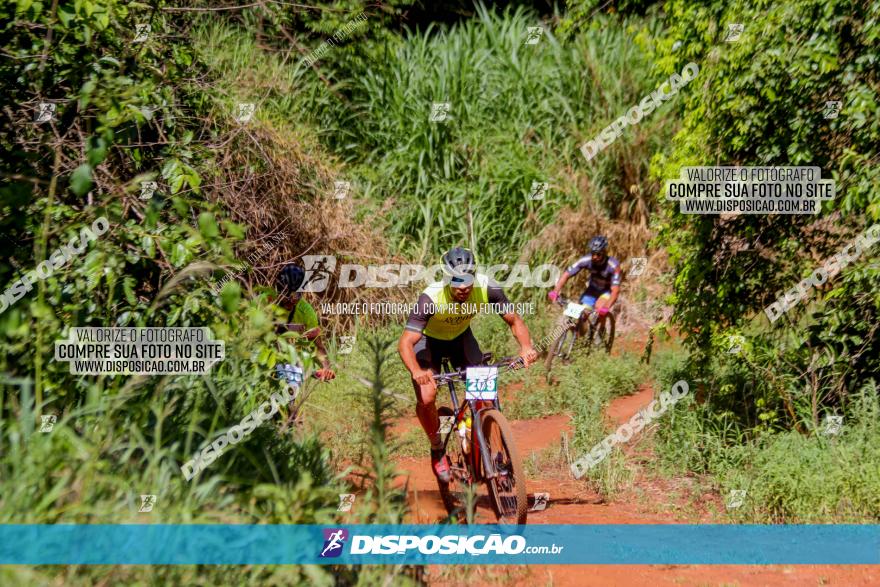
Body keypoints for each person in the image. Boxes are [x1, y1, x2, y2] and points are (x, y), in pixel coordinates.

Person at [398, 246, 538, 483]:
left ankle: (495, 456)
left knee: (485, 396)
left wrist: (525, 347)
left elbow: (514, 321)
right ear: (446, 278)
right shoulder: (431, 297)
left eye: (468, 279)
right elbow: (405, 342)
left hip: (461, 339)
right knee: (427, 396)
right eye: (456, 280)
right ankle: (437, 448)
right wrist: (417, 371)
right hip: (429, 343)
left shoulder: (486, 287)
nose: (463, 286)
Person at [274, 264, 335, 381]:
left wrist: (326, 368)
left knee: (295, 371)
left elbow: (318, 346)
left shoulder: (306, 312)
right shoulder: (267, 303)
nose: (290, 300)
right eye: (286, 295)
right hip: (267, 359)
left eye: (295, 296)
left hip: (289, 366)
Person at [547, 235, 621, 332]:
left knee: (600, 307)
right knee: (582, 315)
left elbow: (615, 290)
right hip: (592, 290)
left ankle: (601, 329)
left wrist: (607, 307)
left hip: (606, 291)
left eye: (598, 254)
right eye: (593, 253)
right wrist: (555, 291)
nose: (595, 257)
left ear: (604, 252)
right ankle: (579, 338)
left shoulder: (613, 265)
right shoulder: (586, 260)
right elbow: (566, 274)